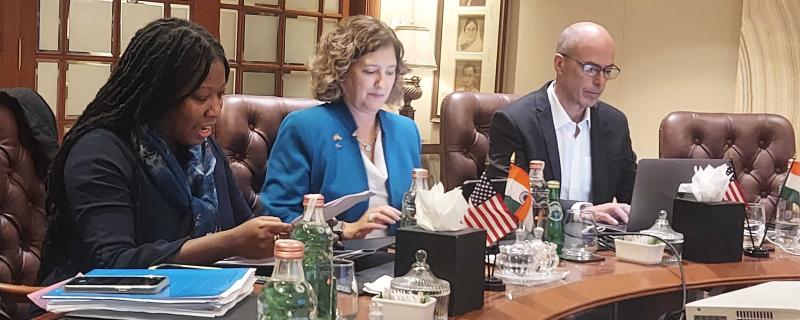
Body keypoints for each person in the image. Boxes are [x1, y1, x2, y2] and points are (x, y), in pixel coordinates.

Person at [38, 18, 292, 285]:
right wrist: (228, 243)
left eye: (220, 95)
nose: (215, 110)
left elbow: (244, 224)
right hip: (101, 306)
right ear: (160, 94)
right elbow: (114, 263)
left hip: (202, 299)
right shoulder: (100, 152)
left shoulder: (206, 153)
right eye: (201, 97)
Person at [260, 15, 421, 239]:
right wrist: (344, 229)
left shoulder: (406, 131)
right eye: (370, 71)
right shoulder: (304, 127)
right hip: (333, 263)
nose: (381, 83)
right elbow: (278, 217)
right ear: (341, 72)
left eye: (390, 71)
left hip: (397, 263)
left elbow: (416, 211)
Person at [486, 21, 635, 225]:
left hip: (599, 249)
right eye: (591, 69)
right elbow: (509, 198)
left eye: (607, 71)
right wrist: (579, 212)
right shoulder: (515, 122)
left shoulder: (615, 124)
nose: (600, 81)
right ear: (559, 64)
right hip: (535, 244)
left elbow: (633, 194)